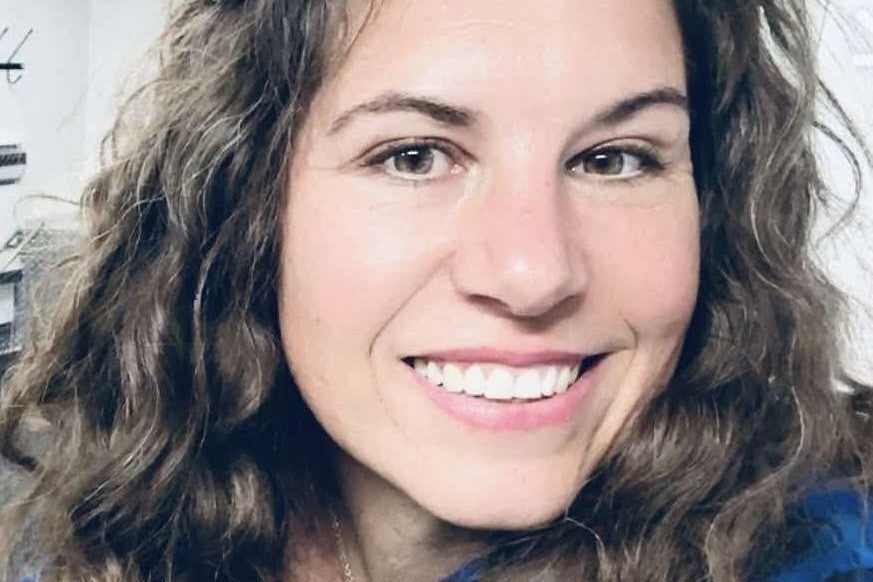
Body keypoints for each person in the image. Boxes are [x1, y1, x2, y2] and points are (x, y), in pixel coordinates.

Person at [1, 0, 871, 581]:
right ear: (243, 207)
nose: (534, 273)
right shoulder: (110, 526)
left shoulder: (825, 553)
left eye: (614, 159)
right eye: (412, 155)